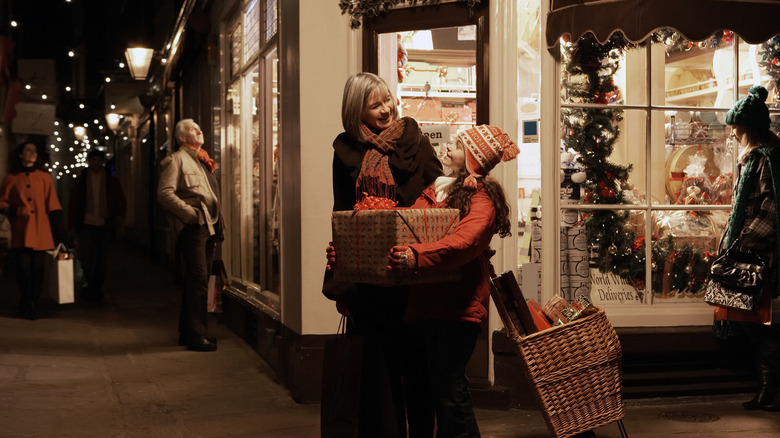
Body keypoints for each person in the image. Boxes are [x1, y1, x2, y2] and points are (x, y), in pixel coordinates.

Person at [324, 72, 443, 437]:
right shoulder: (346, 150)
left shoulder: (415, 140)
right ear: (356, 111)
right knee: (377, 370)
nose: (386, 108)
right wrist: (341, 284)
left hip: (412, 271)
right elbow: (341, 212)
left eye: (387, 99)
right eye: (374, 104)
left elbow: (439, 193)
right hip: (370, 278)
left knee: (418, 367)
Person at [384, 125, 518, 437]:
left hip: (455, 308)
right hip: (425, 304)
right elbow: (407, 225)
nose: (446, 148)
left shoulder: (482, 197)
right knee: (424, 388)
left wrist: (416, 256)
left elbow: (465, 243)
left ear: (472, 159)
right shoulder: (439, 189)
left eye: (457, 146)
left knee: (449, 391)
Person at [717, 85, 780, 411]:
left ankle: (772, 384)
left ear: (749, 128)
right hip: (750, 252)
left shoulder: (765, 161)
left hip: (757, 255)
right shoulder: (757, 159)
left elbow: (771, 210)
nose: (734, 133)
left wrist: (741, 245)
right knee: (751, 318)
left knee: (750, 317)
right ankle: (768, 390)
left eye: (737, 128)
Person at [157, 119, 223, 352]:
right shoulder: (176, 160)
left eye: (199, 126)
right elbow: (165, 194)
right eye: (193, 129)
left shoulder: (201, 159)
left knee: (197, 282)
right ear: (182, 138)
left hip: (208, 227)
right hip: (194, 228)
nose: (199, 129)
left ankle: (188, 332)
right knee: (197, 282)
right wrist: (191, 215)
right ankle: (197, 335)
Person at [0, 142, 64, 320]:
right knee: (23, 269)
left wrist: (61, 233)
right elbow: (2, 202)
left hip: (41, 230)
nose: (32, 153)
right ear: (20, 154)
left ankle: (33, 303)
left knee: (38, 270)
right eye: (28, 150)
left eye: (35, 151)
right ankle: (25, 299)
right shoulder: (11, 177)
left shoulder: (44, 177)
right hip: (21, 230)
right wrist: (14, 211)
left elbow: (53, 205)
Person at [67, 149, 126, 301]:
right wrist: (72, 226)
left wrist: (119, 217)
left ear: (102, 161)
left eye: (98, 160)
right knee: (86, 258)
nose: (96, 163)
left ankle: (97, 287)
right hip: (86, 223)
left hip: (104, 224)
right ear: (89, 161)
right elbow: (74, 203)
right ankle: (89, 286)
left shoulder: (111, 180)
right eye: (93, 160)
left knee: (102, 258)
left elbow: (119, 199)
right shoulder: (81, 180)